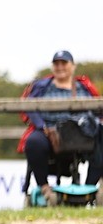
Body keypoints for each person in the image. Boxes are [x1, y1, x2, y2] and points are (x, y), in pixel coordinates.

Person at [18, 50, 102, 206]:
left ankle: (90, 187)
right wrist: (41, 125)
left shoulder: (83, 87)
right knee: (34, 142)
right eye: (57, 64)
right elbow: (28, 106)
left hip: (81, 133)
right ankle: (45, 189)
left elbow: (97, 109)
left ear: (72, 66)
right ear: (52, 67)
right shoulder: (42, 87)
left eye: (64, 63)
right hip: (50, 132)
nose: (60, 67)